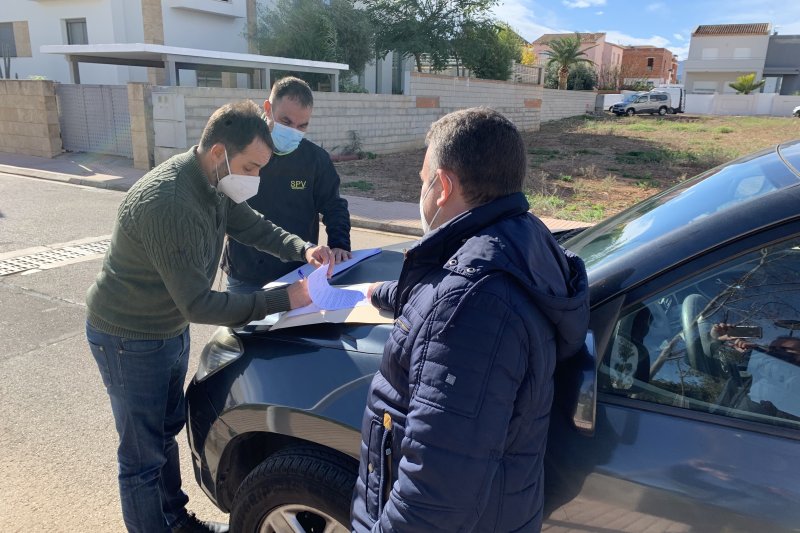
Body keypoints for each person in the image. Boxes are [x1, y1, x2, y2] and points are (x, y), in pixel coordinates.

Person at [85, 100, 334, 533]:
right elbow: (200, 304)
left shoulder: (213, 184)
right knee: (142, 456)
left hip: (166, 327)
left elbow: (254, 227)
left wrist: (303, 249)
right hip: (129, 336)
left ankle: (174, 520)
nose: (256, 178)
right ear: (219, 153)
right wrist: (283, 300)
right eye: (251, 167)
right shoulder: (172, 202)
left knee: (165, 433)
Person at [350, 108, 590, 532]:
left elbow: (434, 496)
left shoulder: (473, 309)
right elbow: (448, 282)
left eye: (422, 179)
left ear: (443, 186)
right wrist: (378, 292)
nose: (419, 192)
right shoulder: (519, 241)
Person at [222, 76, 351, 293]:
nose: (293, 131)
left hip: (297, 275)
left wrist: (339, 244)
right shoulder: (240, 150)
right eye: (286, 122)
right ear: (267, 109)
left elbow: (334, 205)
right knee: (242, 327)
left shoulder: (315, 160)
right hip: (246, 275)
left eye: (302, 125)